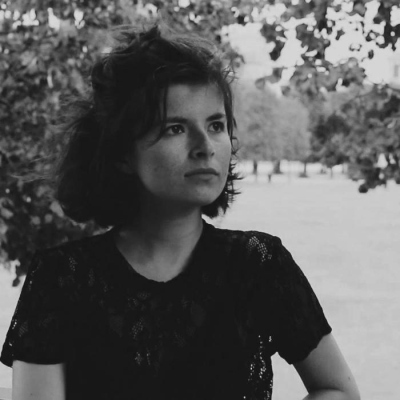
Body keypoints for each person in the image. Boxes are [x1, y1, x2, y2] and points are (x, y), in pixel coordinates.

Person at [0, 25, 360, 400]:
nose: (205, 146)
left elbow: (338, 390)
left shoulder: (259, 266)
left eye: (216, 125)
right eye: (175, 128)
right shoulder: (60, 280)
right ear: (122, 153)